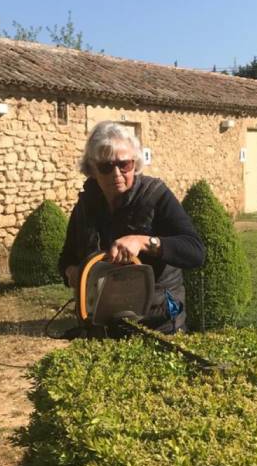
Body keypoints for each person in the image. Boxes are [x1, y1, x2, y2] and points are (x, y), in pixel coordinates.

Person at [59, 121, 205, 333]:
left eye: (124, 165)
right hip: (101, 322)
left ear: (134, 164)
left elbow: (195, 251)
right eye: (106, 167)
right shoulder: (86, 204)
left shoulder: (156, 195)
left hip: (158, 322)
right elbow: (67, 256)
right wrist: (71, 271)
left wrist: (144, 242)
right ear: (92, 169)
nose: (116, 174)